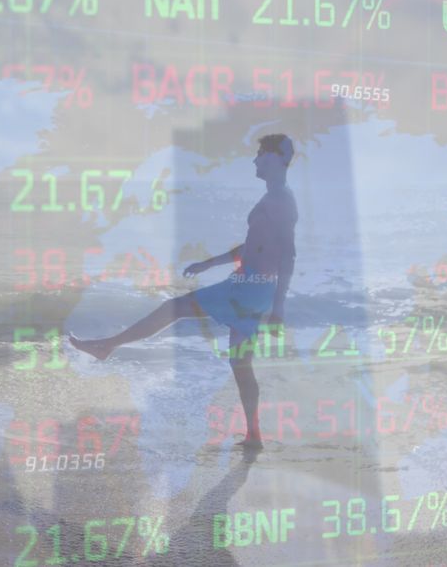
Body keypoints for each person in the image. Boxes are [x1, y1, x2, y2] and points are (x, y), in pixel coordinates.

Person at [70, 134, 298, 449]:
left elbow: (288, 254)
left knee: (173, 309)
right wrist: (210, 263)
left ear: (275, 157)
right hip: (254, 288)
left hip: (247, 287)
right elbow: (253, 245)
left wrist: (279, 309)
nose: (255, 160)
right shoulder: (276, 198)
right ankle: (254, 435)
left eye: (260, 154)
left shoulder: (280, 201)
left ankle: (107, 346)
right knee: (241, 365)